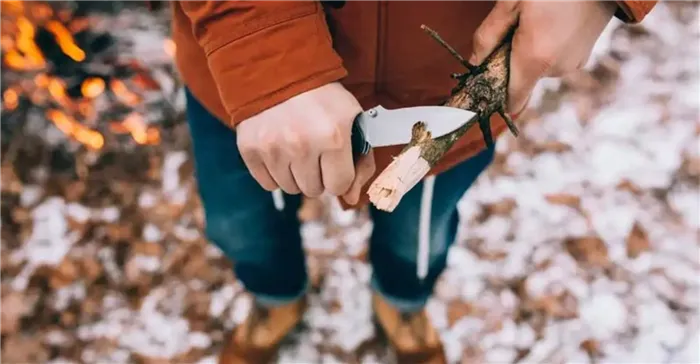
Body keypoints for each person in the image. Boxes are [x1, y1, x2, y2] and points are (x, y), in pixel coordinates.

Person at [149, 0, 658, 362]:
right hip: (242, 84)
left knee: (420, 235)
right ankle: (275, 298)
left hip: (447, 95)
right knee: (243, 225)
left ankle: (403, 304)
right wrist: (265, 49)